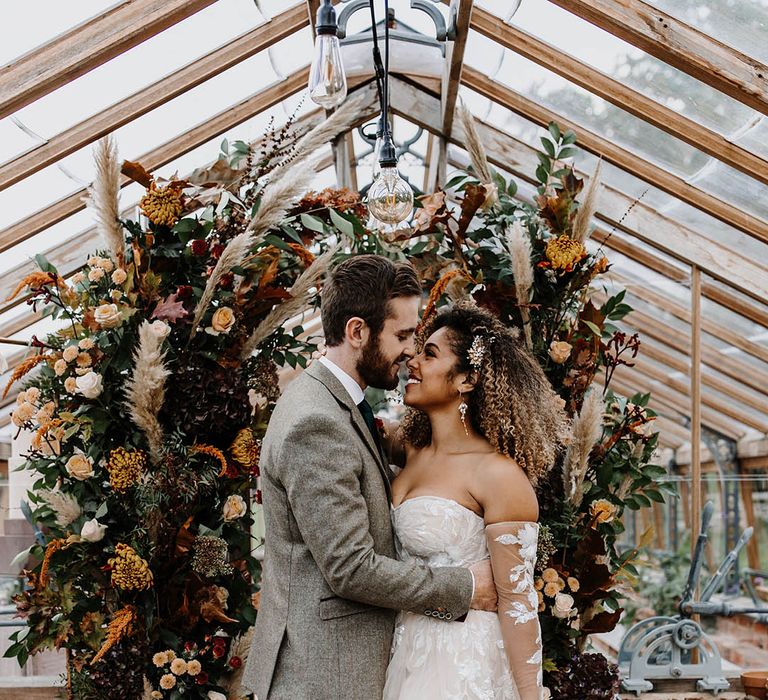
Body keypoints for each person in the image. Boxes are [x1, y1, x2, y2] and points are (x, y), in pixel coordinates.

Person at [241, 255, 498, 700]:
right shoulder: (315, 422)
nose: (411, 351)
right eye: (402, 335)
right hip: (325, 674)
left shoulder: (340, 404)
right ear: (358, 332)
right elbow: (350, 568)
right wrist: (468, 586)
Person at [383, 301, 569, 700]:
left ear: (466, 379)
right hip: (402, 654)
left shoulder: (498, 476)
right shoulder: (406, 448)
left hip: (461, 664)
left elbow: (519, 605)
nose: (412, 361)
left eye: (429, 354)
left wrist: (530, 695)